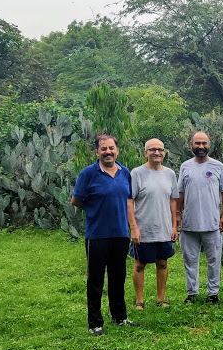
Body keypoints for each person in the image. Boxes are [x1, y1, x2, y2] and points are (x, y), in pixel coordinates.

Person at [71, 134, 140, 337]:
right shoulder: (88, 174)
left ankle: (120, 317)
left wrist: (133, 227)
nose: (108, 152)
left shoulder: (124, 172)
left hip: (120, 234)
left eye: (111, 148)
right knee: (96, 280)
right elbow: (76, 200)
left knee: (118, 278)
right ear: (97, 152)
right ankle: (95, 323)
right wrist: (94, 210)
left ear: (117, 150)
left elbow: (128, 200)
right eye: (103, 149)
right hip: (97, 234)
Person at [177, 131, 223, 305]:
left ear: (209, 145)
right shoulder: (185, 166)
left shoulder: (218, 166)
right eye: (197, 143)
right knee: (190, 260)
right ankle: (192, 293)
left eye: (204, 143)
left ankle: (213, 294)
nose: (201, 147)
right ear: (191, 144)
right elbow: (181, 193)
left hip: (212, 223)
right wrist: (177, 215)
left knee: (214, 260)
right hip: (189, 224)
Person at [128, 138, 178, 310]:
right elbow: (130, 201)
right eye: (152, 149)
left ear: (164, 153)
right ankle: (139, 300)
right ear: (145, 153)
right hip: (143, 228)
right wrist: (133, 227)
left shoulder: (170, 174)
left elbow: (173, 201)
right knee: (140, 264)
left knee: (162, 263)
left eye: (160, 149)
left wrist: (174, 226)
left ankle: (161, 299)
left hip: (164, 228)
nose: (156, 152)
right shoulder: (136, 173)